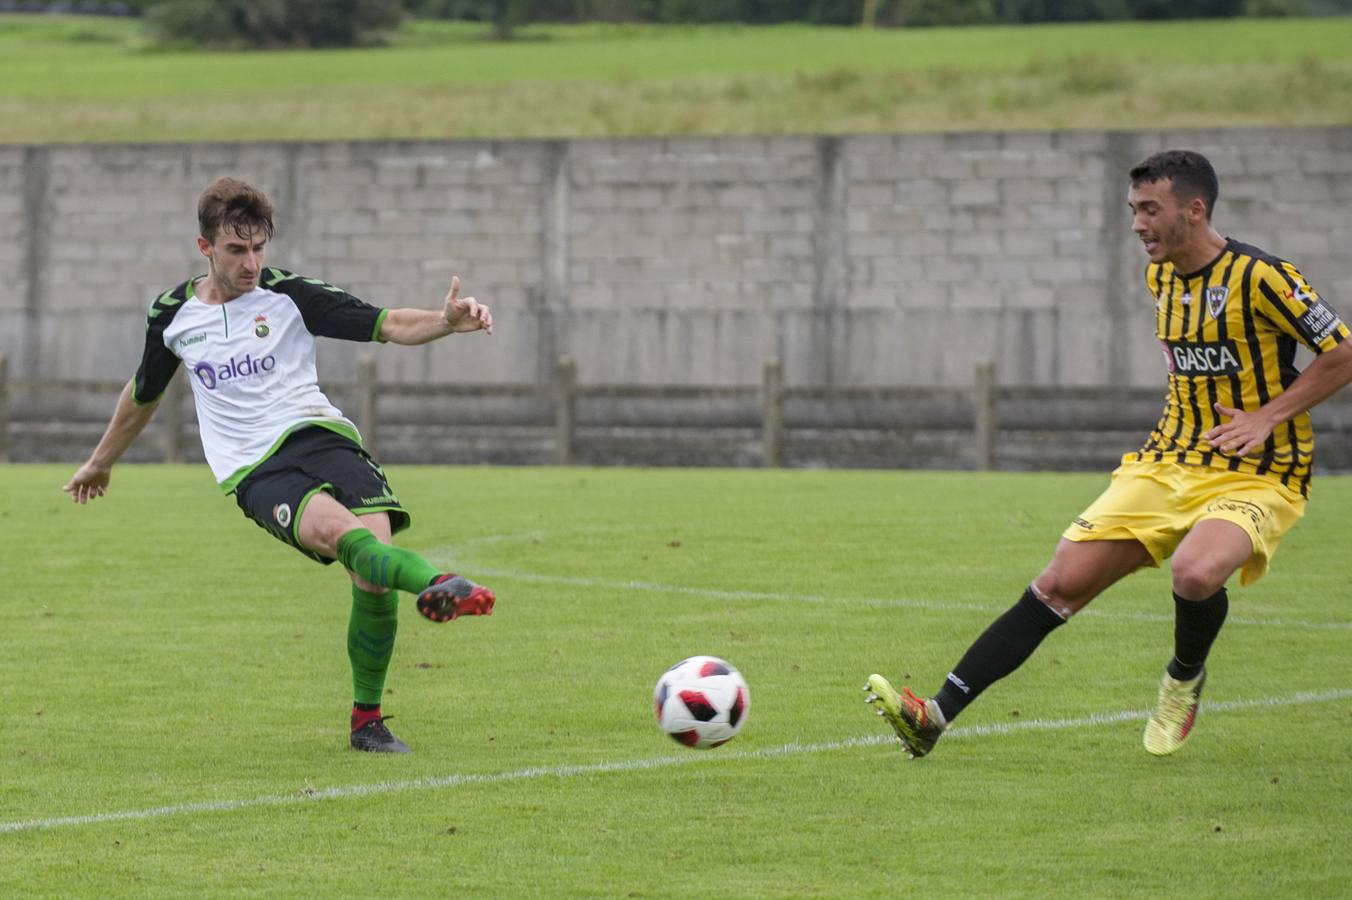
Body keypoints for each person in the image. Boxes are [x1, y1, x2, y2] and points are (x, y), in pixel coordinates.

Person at [865, 149, 1352, 758]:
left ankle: (1182, 677)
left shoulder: (1264, 276)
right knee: (1057, 585)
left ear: (1194, 210)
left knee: (1196, 573)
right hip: (1165, 461)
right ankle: (933, 716)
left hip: (1259, 472)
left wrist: (1266, 417)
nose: (1137, 225)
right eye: (1132, 210)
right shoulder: (1161, 276)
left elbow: (1342, 352)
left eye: (1151, 210)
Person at [63, 177, 498, 754]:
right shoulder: (172, 315)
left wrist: (446, 321)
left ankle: (366, 721)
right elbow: (143, 395)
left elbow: (386, 324)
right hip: (255, 468)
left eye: (259, 248)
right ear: (205, 247)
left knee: (372, 573)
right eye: (237, 251)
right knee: (337, 535)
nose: (252, 263)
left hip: (324, 437)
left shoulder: (289, 294)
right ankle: (441, 583)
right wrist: (100, 463)